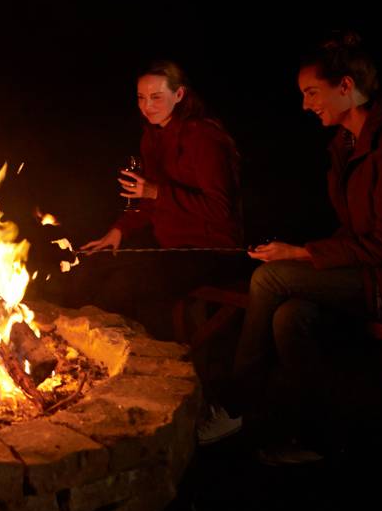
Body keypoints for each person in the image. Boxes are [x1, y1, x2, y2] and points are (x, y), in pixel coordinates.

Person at [227, 32, 382, 462]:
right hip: (370, 273)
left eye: (311, 92)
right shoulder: (345, 145)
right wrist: (298, 248)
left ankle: (235, 407)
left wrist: (299, 255)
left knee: (271, 277)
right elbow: (354, 231)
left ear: (346, 87)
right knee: (289, 316)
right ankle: (324, 437)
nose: (305, 104)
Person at [59, 61, 247, 340]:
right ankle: (70, 353)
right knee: (88, 266)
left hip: (213, 251)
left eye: (156, 97)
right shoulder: (153, 137)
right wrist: (119, 230)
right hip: (170, 245)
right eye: (141, 98)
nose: (147, 106)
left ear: (179, 95)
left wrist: (157, 192)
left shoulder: (204, 138)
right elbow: (150, 202)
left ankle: (129, 355)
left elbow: (220, 210)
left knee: (125, 284)